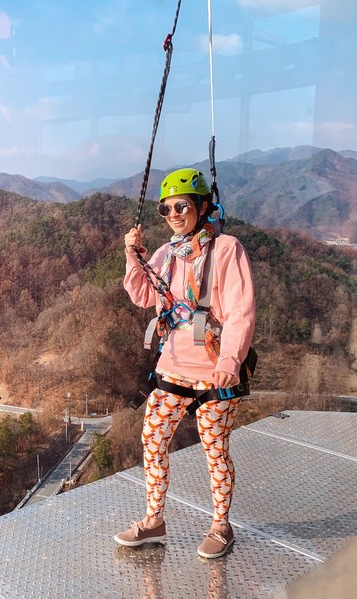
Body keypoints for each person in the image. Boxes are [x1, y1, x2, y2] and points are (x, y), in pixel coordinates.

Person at [114, 167, 255, 559]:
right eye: (166, 209)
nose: (174, 214)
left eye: (182, 206)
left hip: (215, 370)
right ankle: (154, 520)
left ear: (202, 206)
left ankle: (221, 526)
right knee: (153, 441)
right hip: (172, 366)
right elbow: (143, 296)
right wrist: (132, 255)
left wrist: (231, 359)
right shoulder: (166, 253)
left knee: (215, 449)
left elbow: (241, 310)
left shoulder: (227, 249)